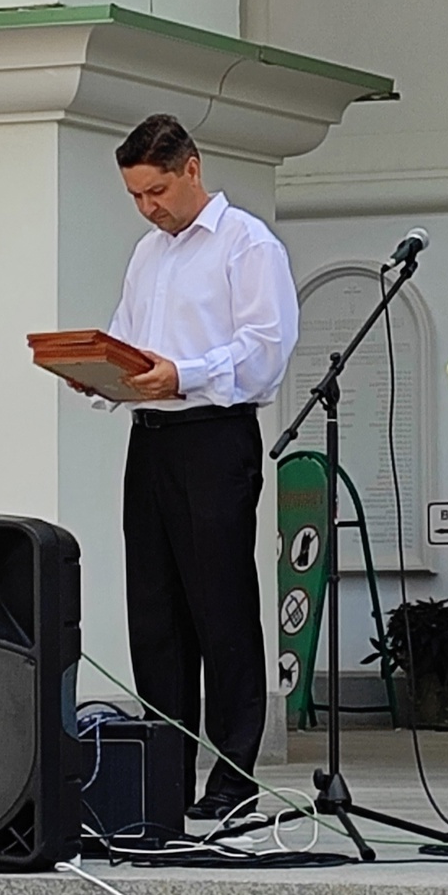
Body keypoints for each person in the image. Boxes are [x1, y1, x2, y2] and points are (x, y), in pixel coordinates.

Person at [79, 113, 299, 821]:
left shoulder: (246, 244)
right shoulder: (148, 254)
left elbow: (265, 349)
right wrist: (96, 372)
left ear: (192, 169)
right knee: (155, 613)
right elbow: (128, 339)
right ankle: (163, 776)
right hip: (150, 441)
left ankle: (233, 779)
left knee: (220, 607)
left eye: (158, 191)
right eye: (136, 196)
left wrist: (184, 374)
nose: (149, 208)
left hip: (213, 437)